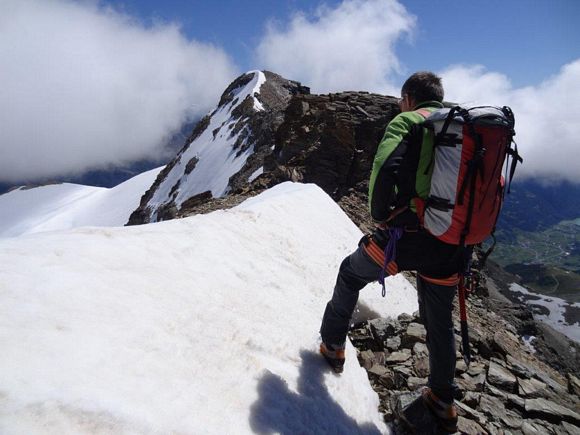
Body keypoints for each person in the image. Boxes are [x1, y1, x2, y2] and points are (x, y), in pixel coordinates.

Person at [319, 72, 460, 433]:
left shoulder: (408, 121)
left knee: (351, 273)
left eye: (402, 100)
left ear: (410, 97)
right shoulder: (462, 128)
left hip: (408, 236)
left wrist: (381, 217)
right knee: (439, 320)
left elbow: (384, 169)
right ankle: (443, 402)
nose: (400, 105)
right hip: (454, 242)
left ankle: (333, 345)